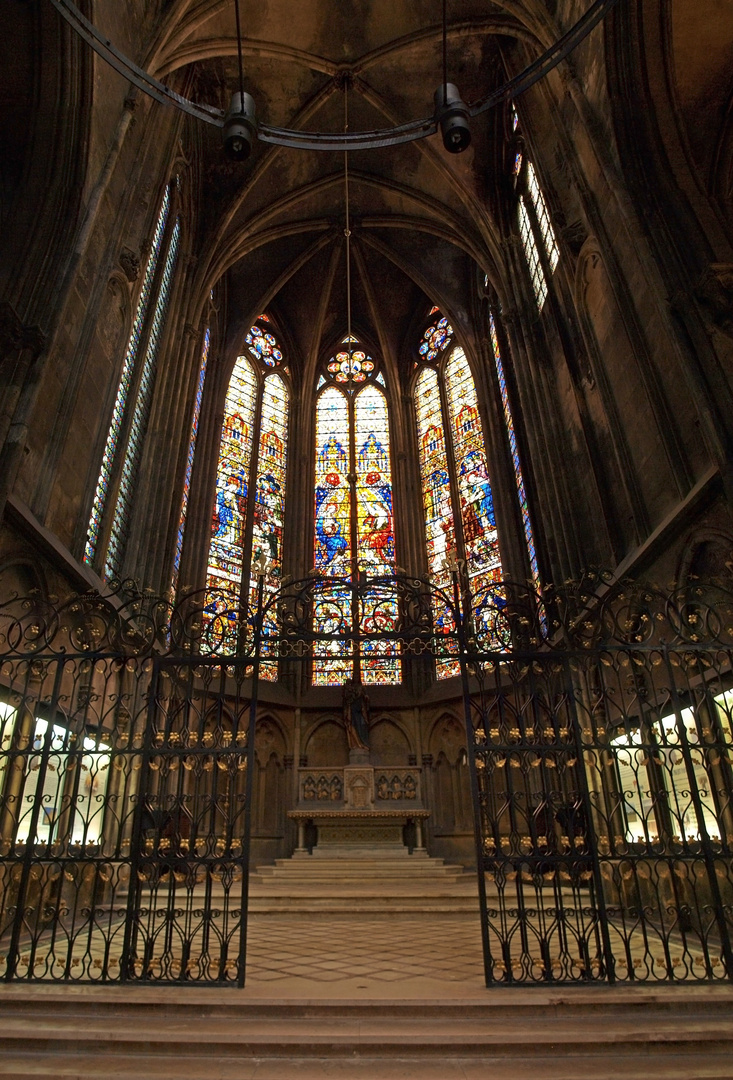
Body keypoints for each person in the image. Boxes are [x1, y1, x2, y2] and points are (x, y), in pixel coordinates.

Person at [343, 679, 370, 750]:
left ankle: (362, 743)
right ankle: (356, 744)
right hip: (352, 713)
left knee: (362, 726)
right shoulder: (349, 700)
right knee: (351, 727)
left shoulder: (361, 698)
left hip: (359, 713)